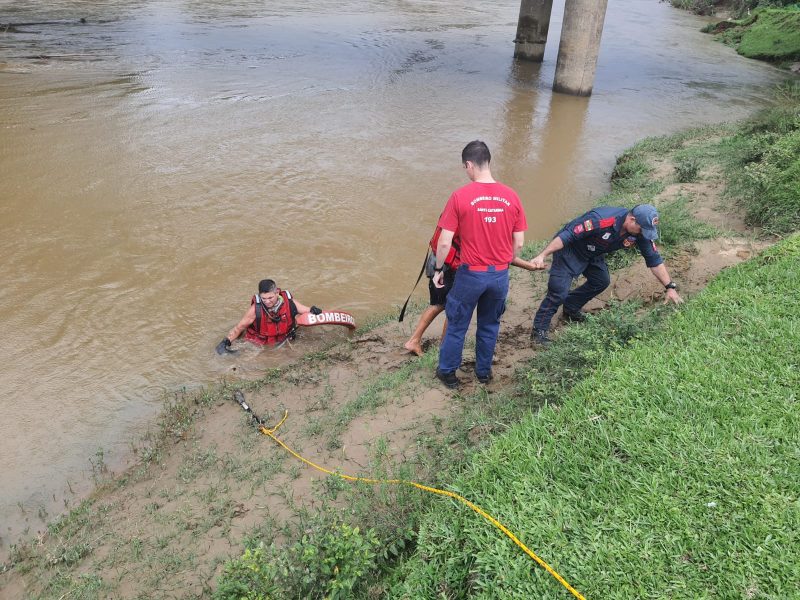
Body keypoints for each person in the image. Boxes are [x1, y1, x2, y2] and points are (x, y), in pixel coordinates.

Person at [432, 140, 528, 388]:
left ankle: (448, 373)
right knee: (489, 325)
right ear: (489, 162)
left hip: (470, 275)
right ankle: (483, 373)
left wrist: (439, 269)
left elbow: (444, 243)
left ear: (468, 164)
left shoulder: (460, 196)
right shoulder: (512, 196)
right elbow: (519, 243)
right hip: (499, 275)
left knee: (457, 326)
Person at [529, 204, 683, 346]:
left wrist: (670, 287)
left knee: (601, 280)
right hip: (571, 249)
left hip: (594, 251)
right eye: (642, 229)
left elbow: (654, 259)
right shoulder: (600, 220)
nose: (643, 233)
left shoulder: (640, 232)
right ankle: (538, 331)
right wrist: (543, 255)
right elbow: (567, 235)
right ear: (632, 219)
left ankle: (570, 308)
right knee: (558, 291)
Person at [216, 279, 322, 354]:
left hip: (284, 339)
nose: (267, 301)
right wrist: (225, 342)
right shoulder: (254, 310)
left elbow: (305, 310)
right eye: (264, 298)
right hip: (258, 343)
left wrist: (314, 310)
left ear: (277, 292)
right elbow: (239, 328)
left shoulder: (289, 302)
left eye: (270, 297)